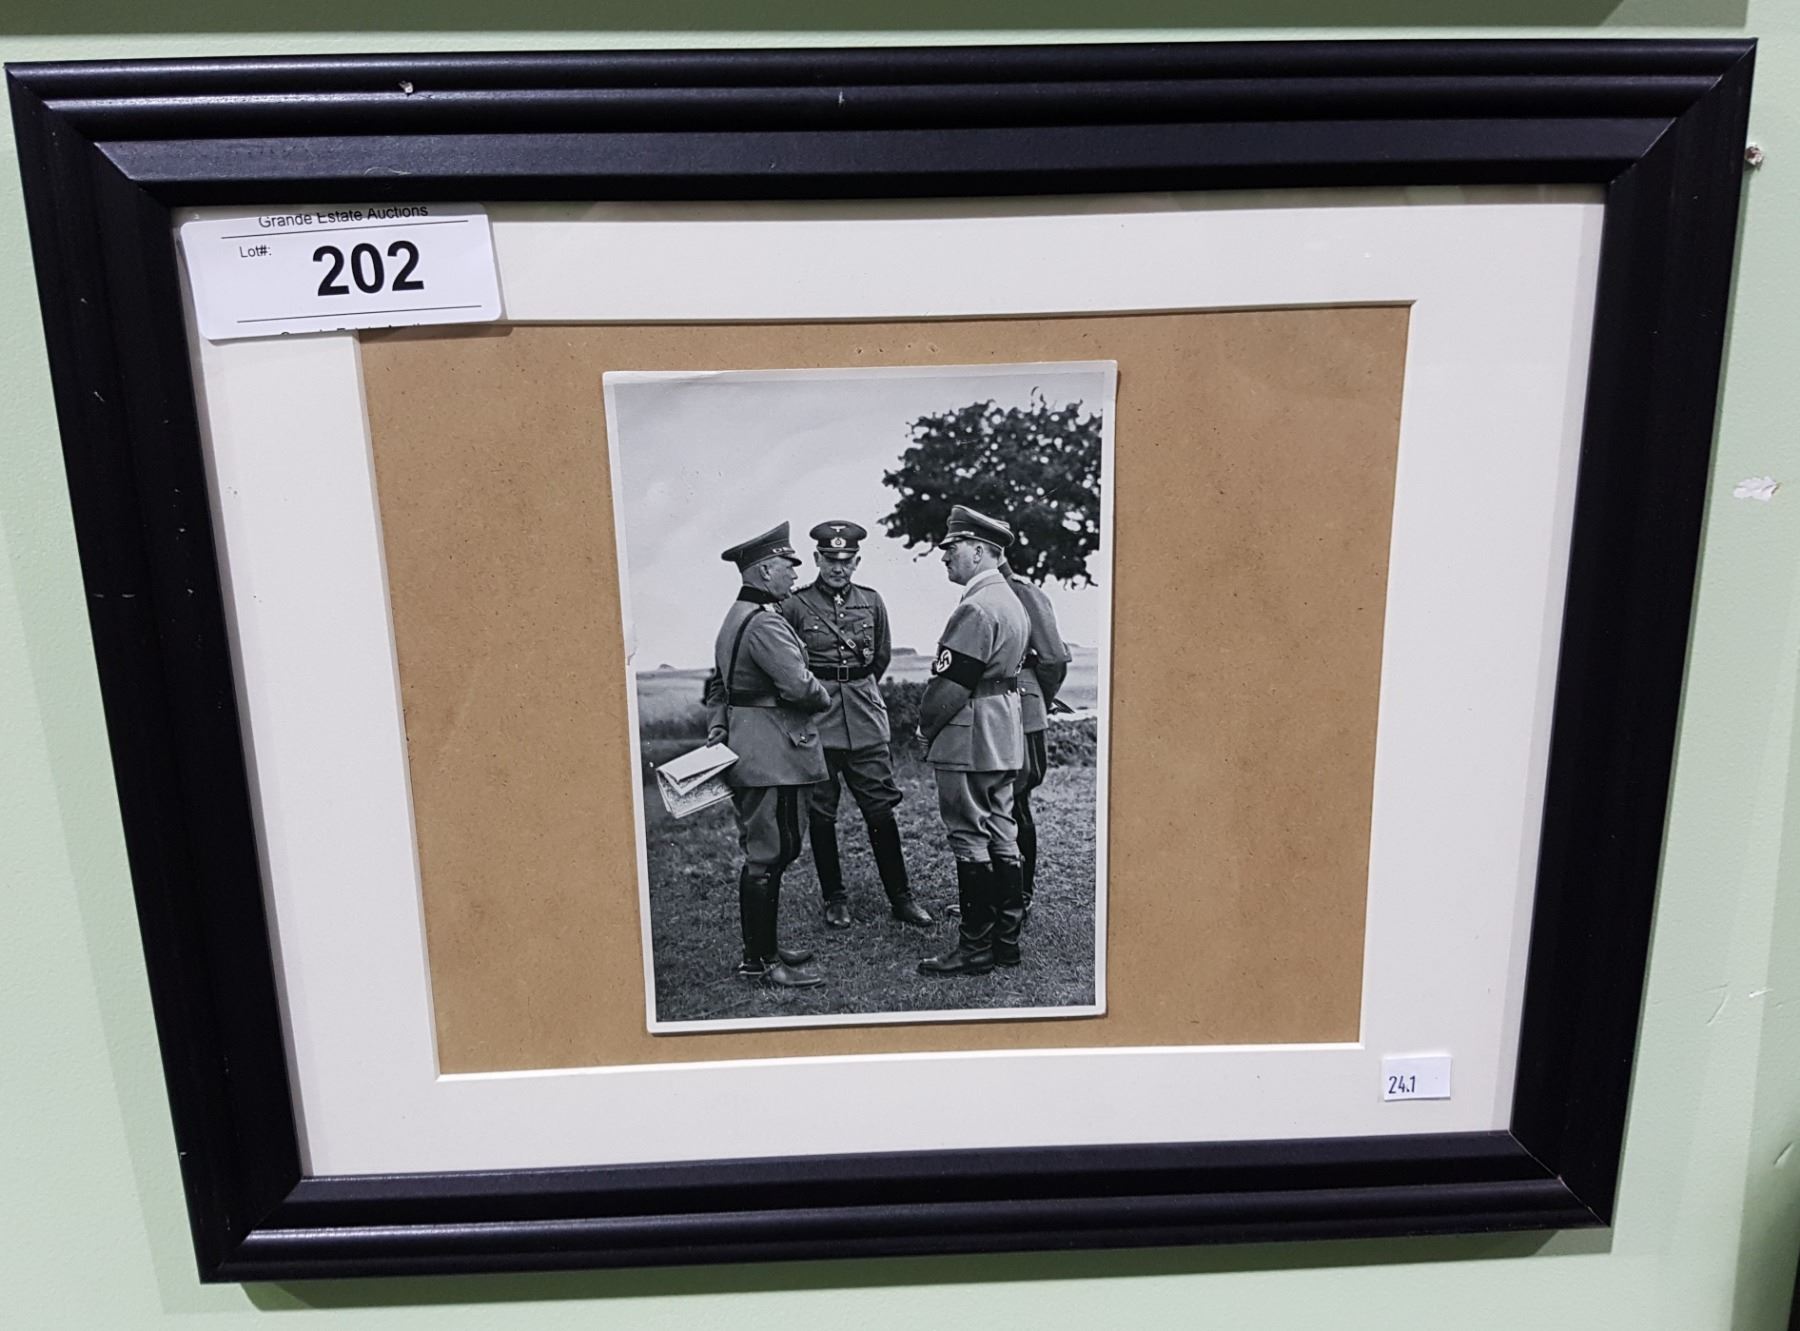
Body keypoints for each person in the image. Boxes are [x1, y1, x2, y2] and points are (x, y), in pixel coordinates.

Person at [780, 521, 933, 929]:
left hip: (865, 720)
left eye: (846, 560)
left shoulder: (872, 601)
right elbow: (788, 665)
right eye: (831, 559)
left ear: (857, 562)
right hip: (818, 721)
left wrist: (857, 690)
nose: (838, 567)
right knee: (822, 813)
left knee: (880, 810)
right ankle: (835, 898)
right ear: (817, 558)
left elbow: (879, 658)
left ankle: (901, 898)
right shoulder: (795, 605)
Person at [704, 522, 831, 989]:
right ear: (762, 572)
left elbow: (719, 687)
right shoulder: (765, 623)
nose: (795, 574)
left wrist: (720, 726)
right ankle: (759, 961)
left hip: (756, 749)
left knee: (772, 849)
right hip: (774, 753)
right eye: (786, 566)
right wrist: (823, 698)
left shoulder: (737, 616)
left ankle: (765, 950)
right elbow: (798, 686)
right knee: (769, 852)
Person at [915, 505, 1031, 976]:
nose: (945, 556)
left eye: (953, 547)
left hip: (969, 733)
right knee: (1002, 828)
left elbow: (950, 687)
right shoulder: (1011, 600)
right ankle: (1006, 944)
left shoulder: (976, 607)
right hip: (1003, 730)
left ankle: (975, 947)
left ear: (980, 551)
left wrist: (925, 728)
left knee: (968, 833)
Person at [999, 556, 1072, 920]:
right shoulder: (984, 590)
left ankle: (1019, 896)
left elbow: (1053, 658)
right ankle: (999, 894)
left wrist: (1039, 698)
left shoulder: (1021, 591)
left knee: (1016, 800)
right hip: (994, 708)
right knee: (995, 803)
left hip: (1021, 710)